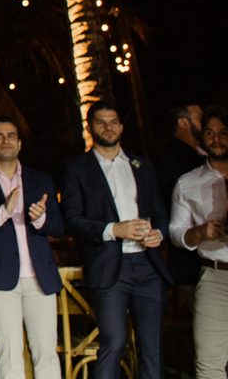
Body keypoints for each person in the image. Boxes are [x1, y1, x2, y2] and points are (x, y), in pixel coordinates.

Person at [60, 105, 171, 379]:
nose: (108, 127)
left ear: (121, 127)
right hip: (108, 265)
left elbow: (159, 212)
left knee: (152, 348)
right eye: (101, 122)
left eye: (113, 122)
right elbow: (71, 219)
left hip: (148, 265)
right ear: (90, 128)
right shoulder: (76, 168)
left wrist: (158, 233)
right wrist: (113, 230)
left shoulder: (143, 166)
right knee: (114, 341)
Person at [0, 117, 64, 379]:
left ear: (19, 143)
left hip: (40, 277)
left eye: (11, 135)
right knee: (9, 355)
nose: (5, 140)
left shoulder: (40, 179)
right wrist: (2, 212)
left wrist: (40, 219)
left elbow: (59, 226)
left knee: (47, 354)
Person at [168, 104, 228, 379]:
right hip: (215, 277)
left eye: (224, 132)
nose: (217, 139)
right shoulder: (188, 183)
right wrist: (200, 233)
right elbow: (176, 231)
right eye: (210, 132)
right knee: (209, 363)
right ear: (201, 137)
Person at [154, 100, 207, 297]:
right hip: (190, 261)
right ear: (183, 123)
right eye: (199, 118)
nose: (205, 122)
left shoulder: (203, 155)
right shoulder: (170, 160)